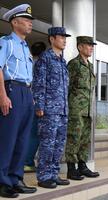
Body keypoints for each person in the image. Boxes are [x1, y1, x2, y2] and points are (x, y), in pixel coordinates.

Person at [0, 4, 37, 198]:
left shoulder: (25, 47)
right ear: (15, 22)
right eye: (26, 20)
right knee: (8, 139)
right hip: (11, 90)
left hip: (25, 93)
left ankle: (16, 178)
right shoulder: (6, 42)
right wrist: (2, 95)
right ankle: (2, 182)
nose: (30, 23)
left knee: (22, 140)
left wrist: (30, 96)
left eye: (31, 21)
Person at [32, 27, 71, 188]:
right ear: (52, 39)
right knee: (47, 143)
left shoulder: (62, 61)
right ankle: (44, 176)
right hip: (48, 109)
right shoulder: (45, 58)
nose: (64, 40)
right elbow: (39, 84)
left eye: (65, 37)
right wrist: (39, 105)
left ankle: (54, 173)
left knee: (59, 143)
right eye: (61, 37)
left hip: (62, 110)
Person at [65, 36, 99, 180]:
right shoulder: (74, 64)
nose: (91, 47)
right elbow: (67, 86)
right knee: (74, 137)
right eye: (88, 45)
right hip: (75, 108)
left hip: (88, 108)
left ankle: (82, 166)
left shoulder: (90, 65)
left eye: (92, 45)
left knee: (85, 138)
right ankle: (71, 169)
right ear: (80, 47)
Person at [24, 42, 47, 173]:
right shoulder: (40, 64)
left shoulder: (30, 63)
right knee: (35, 135)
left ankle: (27, 161)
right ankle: (27, 161)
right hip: (36, 104)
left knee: (31, 134)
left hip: (29, 102)